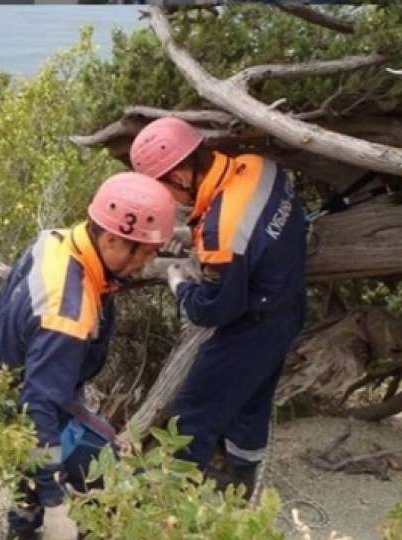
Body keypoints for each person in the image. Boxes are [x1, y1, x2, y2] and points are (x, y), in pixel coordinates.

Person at [0, 172, 176, 540]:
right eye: (142, 251)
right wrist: (56, 506)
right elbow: (37, 411)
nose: (148, 261)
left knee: (35, 467)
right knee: (77, 469)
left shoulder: (58, 240)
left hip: (19, 377)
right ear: (110, 239)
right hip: (35, 399)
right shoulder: (66, 311)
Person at [130, 116, 307, 501]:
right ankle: (242, 485)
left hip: (252, 325)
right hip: (288, 302)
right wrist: (191, 236)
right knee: (251, 402)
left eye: (163, 188)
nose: (167, 199)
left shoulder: (221, 233)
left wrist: (179, 285)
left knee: (194, 411)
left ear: (179, 174)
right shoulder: (259, 167)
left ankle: (166, 504)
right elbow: (249, 228)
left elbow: (213, 310)